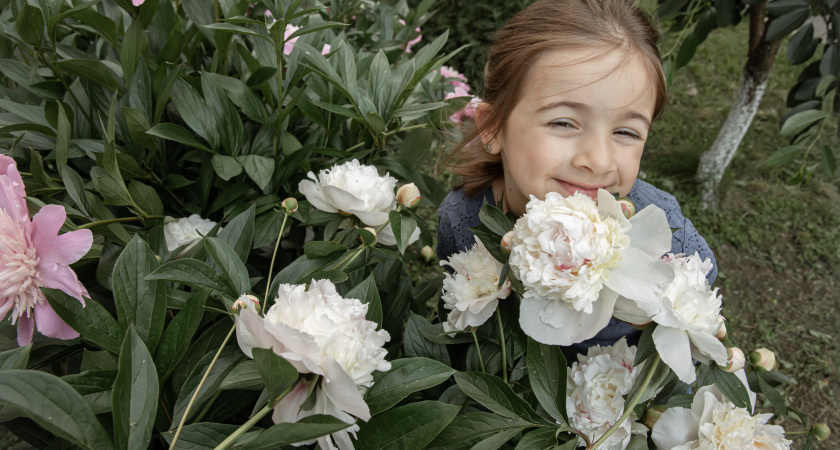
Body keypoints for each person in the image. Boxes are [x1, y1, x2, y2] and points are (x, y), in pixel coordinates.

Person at [435, 0, 717, 359]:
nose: (598, 161)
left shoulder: (662, 232)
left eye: (626, 132)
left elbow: (696, 303)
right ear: (492, 127)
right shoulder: (462, 218)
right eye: (563, 123)